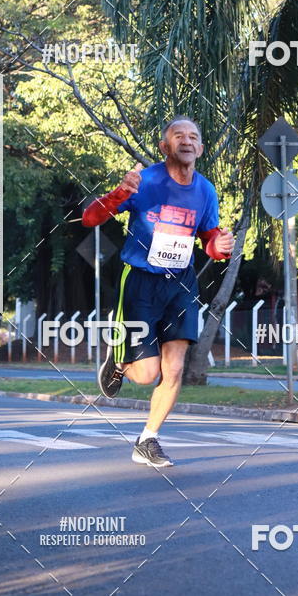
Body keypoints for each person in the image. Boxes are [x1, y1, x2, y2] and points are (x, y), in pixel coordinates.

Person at [82, 117, 234, 468]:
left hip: (181, 283)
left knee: (176, 368)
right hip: (141, 282)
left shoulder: (205, 190)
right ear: (165, 147)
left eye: (194, 136)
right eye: (178, 135)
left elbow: (210, 241)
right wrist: (120, 194)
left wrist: (220, 246)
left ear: (200, 148)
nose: (187, 140)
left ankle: (148, 439)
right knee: (147, 374)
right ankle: (119, 360)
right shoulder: (144, 180)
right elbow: (90, 219)